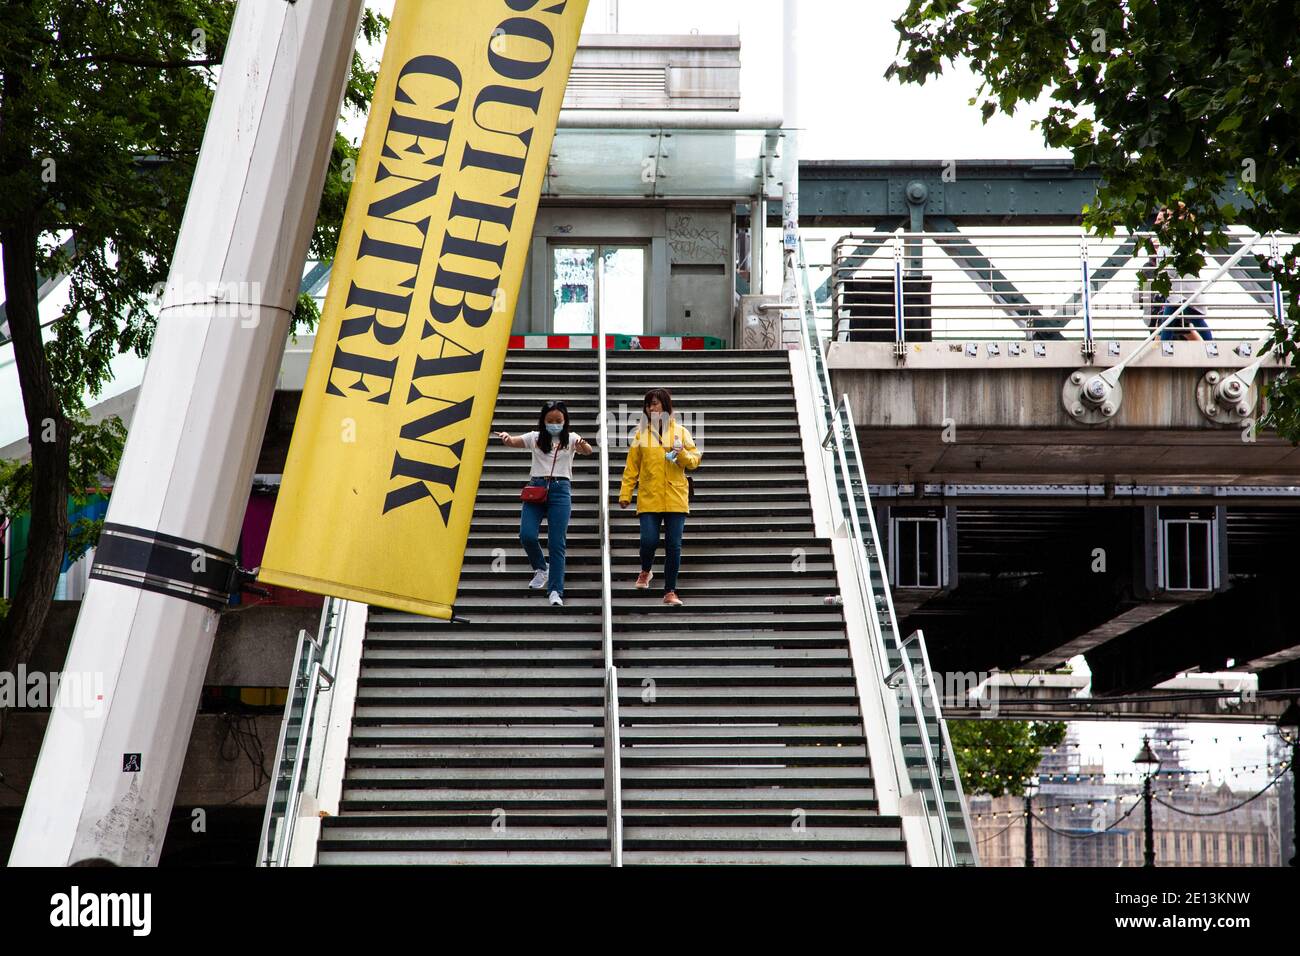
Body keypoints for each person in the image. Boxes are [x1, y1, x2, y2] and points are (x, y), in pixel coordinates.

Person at [496, 400, 592, 608]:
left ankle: (556, 590)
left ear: (565, 421)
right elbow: (513, 441)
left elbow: (588, 451)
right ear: (543, 421)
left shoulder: (572, 438)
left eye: (558, 420)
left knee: (557, 543)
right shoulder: (535, 437)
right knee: (526, 534)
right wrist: (505, 438)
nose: (554, 424)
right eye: (550, 420)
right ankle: (541, 568)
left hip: (561, 490)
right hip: (536, 489)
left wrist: (583, 444)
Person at [618, 388, 701, 607]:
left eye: (655, 403)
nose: (651, 408)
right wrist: (625, 493)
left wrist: (681, 452)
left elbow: (694, 461)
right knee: (648, 540)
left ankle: (670, 591)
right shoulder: (640, 435)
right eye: (648, 405)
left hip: (675, 496)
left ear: (665, 405)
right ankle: (646, 570)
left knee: (673, 545)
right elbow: (631, 467)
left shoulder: (681, 432)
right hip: (649, 496)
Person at [1144, 203, 1214, 341]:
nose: (1168, 219)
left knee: (1172, 318)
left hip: (1180, 284)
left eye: (1171, 215)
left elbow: (1171, 262)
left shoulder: (1179, 236)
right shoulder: (1183, 235)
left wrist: (1165, 276)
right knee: (1190, 316)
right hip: (1181, 285)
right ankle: (1209, 344)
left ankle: (1166, 345)